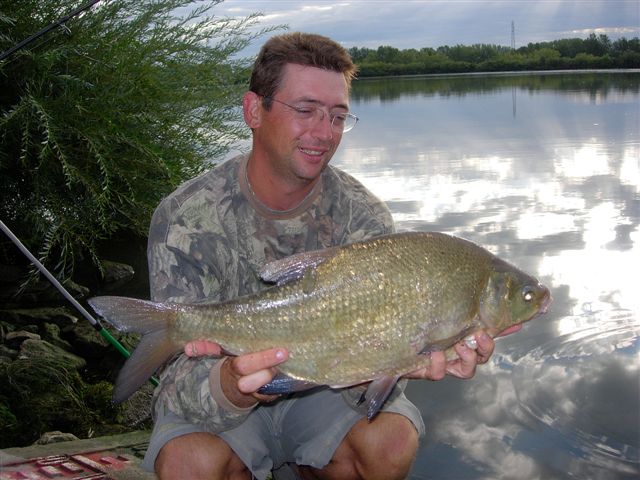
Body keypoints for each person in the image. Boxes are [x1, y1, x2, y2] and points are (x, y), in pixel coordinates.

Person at [143, 32, 495, 480]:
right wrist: (234, 384)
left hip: (323, 390)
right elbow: (175, 382)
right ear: (255, 110)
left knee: (389, 442)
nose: (323, 133)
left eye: (337, 116)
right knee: (188, 463)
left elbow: (371, 368)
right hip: (224, 395)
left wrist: (413, 355)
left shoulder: (363, 216)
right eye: (306, 110)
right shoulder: (185, 216)